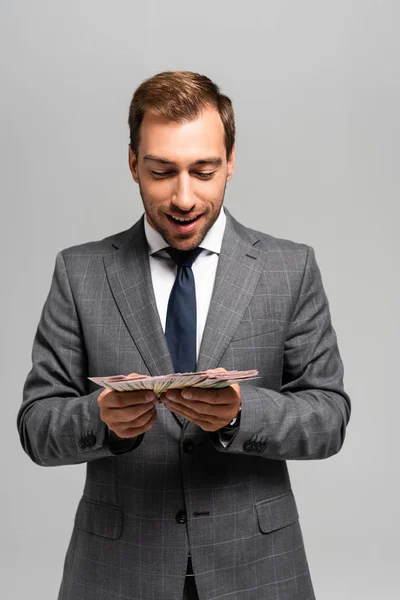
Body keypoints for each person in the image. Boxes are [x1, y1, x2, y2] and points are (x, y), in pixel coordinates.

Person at [18, 71, 351, 600]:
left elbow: (330, 417)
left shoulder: (291, 268)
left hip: (259, 570)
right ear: (132, 164)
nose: (184, 197)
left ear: (232, 162)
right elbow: (36, 426)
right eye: (161, 171)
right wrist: (100, 420)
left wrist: (243, 414)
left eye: (204, 171)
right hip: (117, 571)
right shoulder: (79, 273)